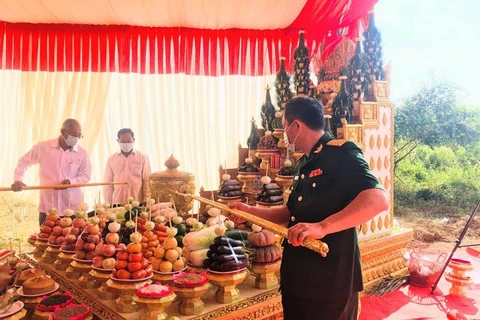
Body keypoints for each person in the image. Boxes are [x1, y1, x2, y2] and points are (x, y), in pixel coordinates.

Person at [230, 96, 389, 320]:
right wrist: (251, 212)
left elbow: (378, 199)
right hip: (300, 276)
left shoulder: (341, 153)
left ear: (297, 126)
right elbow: (293, 214)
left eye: (285, 128)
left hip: (331, 279)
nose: (285, 136)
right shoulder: (304, 163)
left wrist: (322, 227)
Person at [12, 119, 92, 226]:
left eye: (79, 135)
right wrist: (18, 179)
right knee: (46, 239)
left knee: (72, 239)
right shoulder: (44, 147)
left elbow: (86, 175)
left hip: (71, 207)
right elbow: (24, 161)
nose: (76, 138)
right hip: (48, 205)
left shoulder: (82, 153)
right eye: (74, 134)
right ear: (63, 132)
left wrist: (70, 182)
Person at [104, 128, 151, 206]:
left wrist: (146, 200)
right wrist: (108, 202)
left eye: (129, 141)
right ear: (118, 141)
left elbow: (146, 180)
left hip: (137, 202)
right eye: (123, 141)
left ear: (133, 140)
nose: (126, 144)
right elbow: (108, 183)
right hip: (118, 202)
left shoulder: (143, 157)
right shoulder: (111, 159)